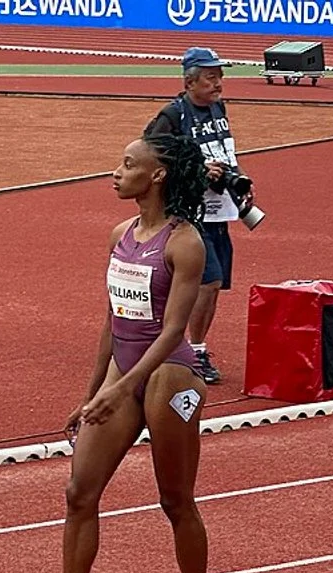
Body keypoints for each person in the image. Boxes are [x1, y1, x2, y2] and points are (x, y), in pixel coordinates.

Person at [63, 133, 212, 573]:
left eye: (128, 165)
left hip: (170, 377)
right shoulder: (120, 234)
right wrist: (92, 394)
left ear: (157, 175)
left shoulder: (184, 242)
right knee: (79, 493)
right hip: (122, 373)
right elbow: (113, 320)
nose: (117, 172)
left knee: (175, 500)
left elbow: (173, 332)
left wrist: (123, 387)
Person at [145, 47, 254, 385]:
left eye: (220, 76)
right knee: (208, 282)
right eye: (210, 77)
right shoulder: (173, 115)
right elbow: (149, 154)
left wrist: (239, 178)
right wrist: (197, 170)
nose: (218, 83)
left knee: (213, 285)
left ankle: (184, 344)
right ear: (190, 82)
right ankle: (193, 350)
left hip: (220, 210)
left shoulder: (219, 108)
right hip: (190, 213)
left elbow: (225, 150)